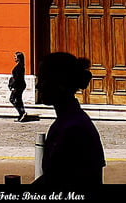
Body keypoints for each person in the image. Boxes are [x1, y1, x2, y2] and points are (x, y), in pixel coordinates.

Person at [33, 52, 105, 187]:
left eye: (43, 80)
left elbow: (56, 180)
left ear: (60, 84)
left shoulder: (73, 129)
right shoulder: (70, 122)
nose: (38, 86)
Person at [9, 51, 27, 121]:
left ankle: (22, 112)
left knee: (12, 99)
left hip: (18, 86)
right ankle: (22, 114)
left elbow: (17, 78)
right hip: (21, 85)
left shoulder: (19, 67)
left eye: (15, 57)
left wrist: (13, 86)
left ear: (18, 58)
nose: (14, 58)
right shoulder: (21, 66)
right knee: (19, 100)